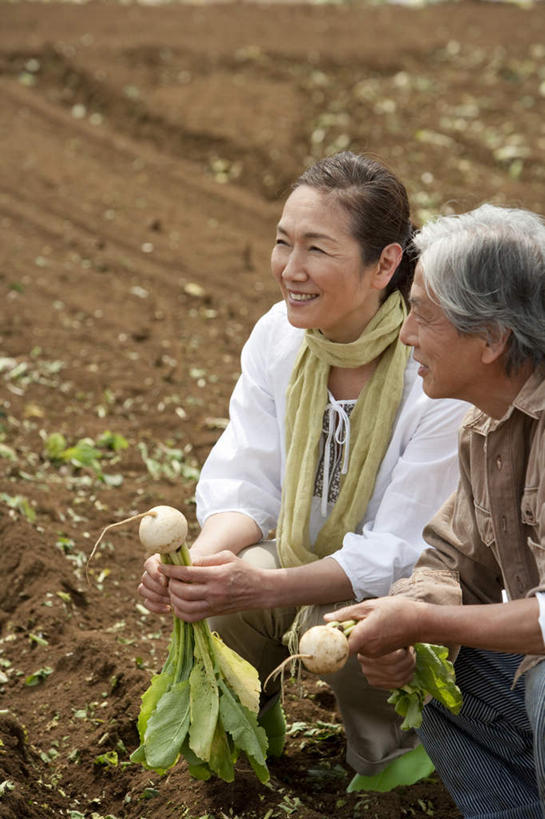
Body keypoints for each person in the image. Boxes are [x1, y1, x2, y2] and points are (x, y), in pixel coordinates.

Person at [138, 151, 468, 785]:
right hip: (298, 557)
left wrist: (267, 587)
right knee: (224, 594)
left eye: (317, 249)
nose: (291, 270)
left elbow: (406, 550)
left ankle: (392, 759)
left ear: (386, 264)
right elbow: (247, 475)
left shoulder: (432, 372)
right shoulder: (280, 337)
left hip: (413, 591)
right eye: (283, 243)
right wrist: (199, 567)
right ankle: (242, 728)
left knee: (353, 626)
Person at [328, 203, 545, 817]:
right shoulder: (486, 428)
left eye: (423, 314)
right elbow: (449, 562)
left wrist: (423, 624)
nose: (405, 334)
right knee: (434, 667)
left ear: (493, 338)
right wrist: (413, 619)